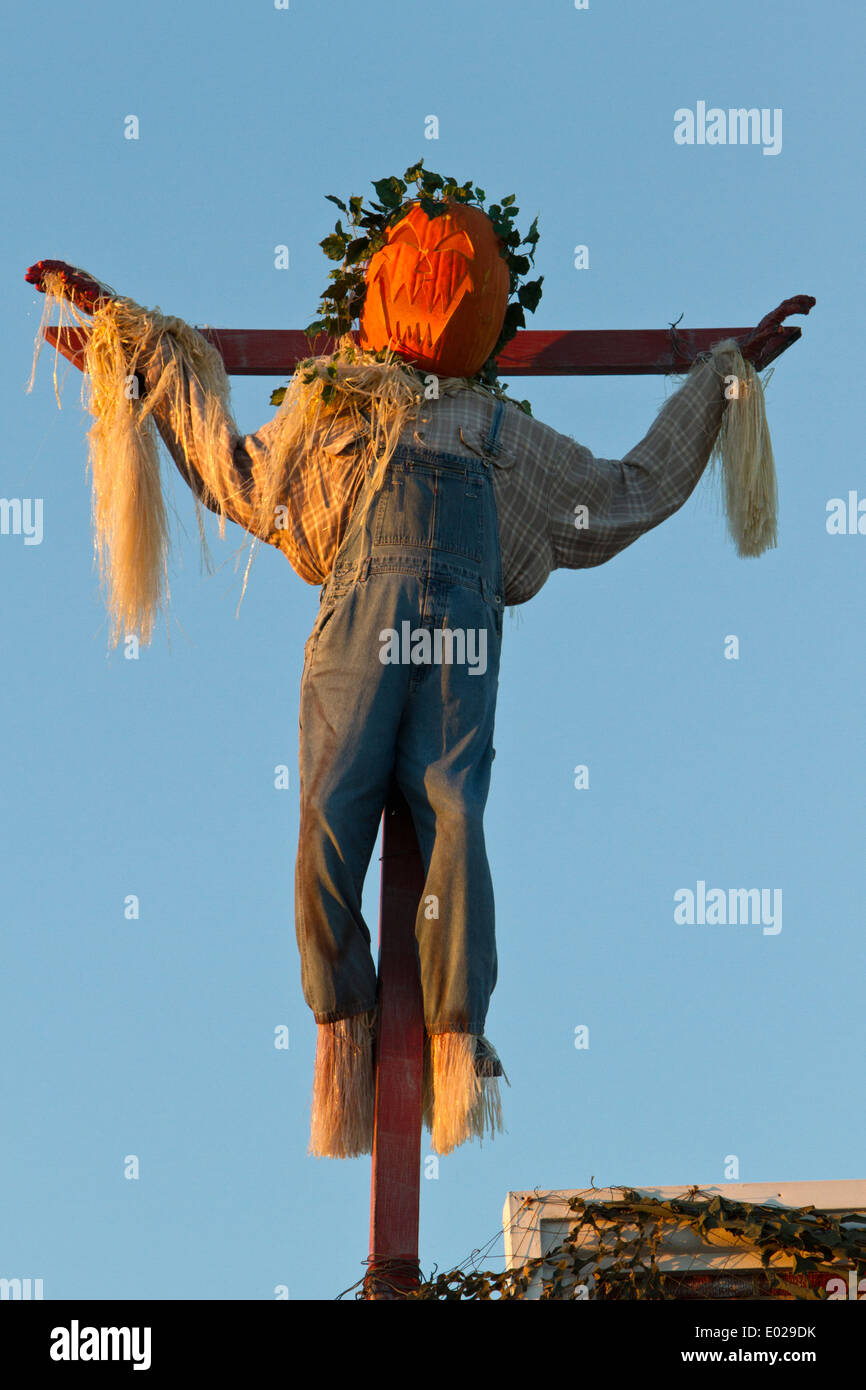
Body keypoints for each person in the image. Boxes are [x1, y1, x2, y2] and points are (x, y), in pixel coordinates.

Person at [25, 204, 814, 1160]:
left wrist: (726, 384)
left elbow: (617, 491)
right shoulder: (355, 407)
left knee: (421, 819)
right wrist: (129, 349)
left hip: (399, 638)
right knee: (365, 815)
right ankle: (359, 1030)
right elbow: (236, 465)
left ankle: (431, 1044)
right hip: (420, 637)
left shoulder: (454, 422)